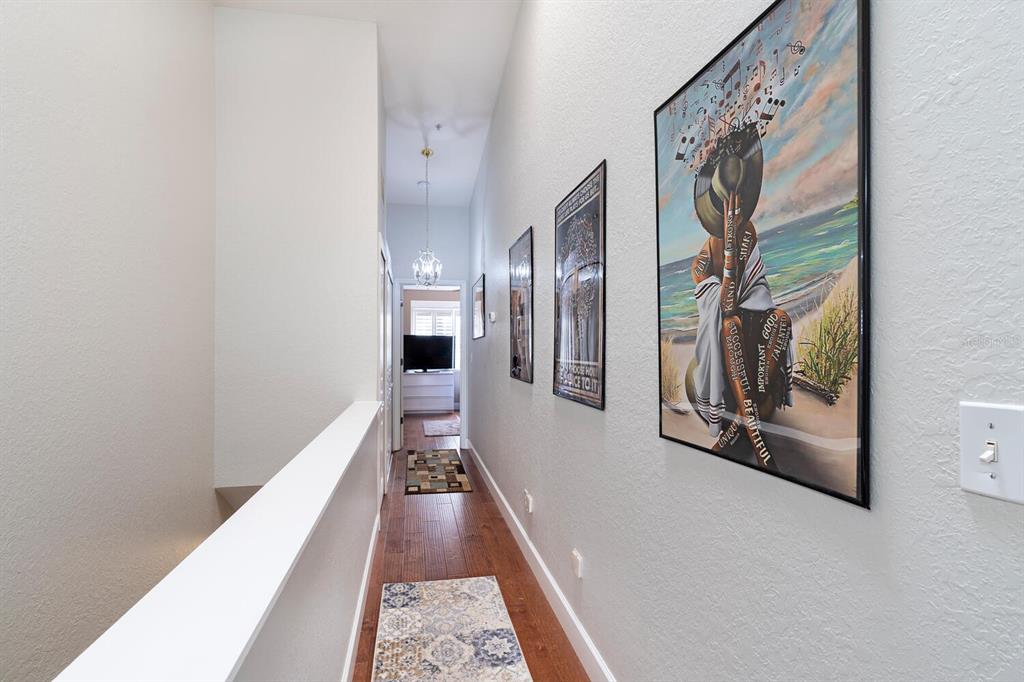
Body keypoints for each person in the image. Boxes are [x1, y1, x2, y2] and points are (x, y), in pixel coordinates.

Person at [688, 140, 794, 469]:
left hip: (754, 347)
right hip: (728, 345)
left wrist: (737, 240)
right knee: (730, 324)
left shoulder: (749, 232)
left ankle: (743, 420)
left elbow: (755, 296)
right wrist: (729, 248)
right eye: (729, 199)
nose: (735, 206)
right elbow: (726, 304)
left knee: (781, 319)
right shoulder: (704, 257)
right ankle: (752, 432)